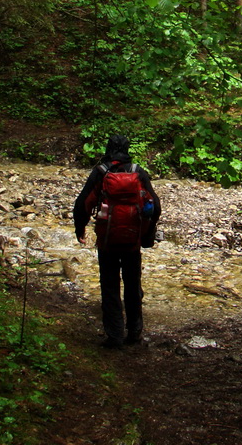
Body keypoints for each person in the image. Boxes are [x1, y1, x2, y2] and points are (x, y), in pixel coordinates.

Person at [73, 135, 161, 348]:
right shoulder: (138, 172)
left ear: (108, 149)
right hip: (132, 240)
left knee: (110, 284)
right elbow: (155, 206)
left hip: (108, 239)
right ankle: (135, 332)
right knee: (132, 283)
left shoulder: (101, 172)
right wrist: (147, 236)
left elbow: (83, 204)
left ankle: (114, 336)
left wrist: (80, 228)